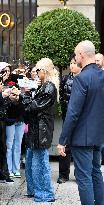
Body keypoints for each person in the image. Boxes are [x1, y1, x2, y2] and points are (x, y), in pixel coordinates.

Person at [57, 40, 104, 205]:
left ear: (82, 55)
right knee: (96, 173)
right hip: (98, 135)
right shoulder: (102, 75)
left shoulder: (81, 78)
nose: (75, 57)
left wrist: (62, 140)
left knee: (84, 177)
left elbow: (73, 112)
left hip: (82, 137)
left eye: (76, 54)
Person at [18, 58, 59, 202]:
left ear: (44, 71)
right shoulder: (44, 86)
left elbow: (32, 107)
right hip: (36, 129)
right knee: (31, 162)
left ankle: (45, 193)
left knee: (40, 163)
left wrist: (23, 95)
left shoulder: (49, 87)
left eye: (37, 70)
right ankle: (35, 190)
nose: (35, 72)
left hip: (41, 131)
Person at [57, 53, 81, 184]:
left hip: (81, 120)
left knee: (79, 147)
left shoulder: (84, 79)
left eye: (74, 63)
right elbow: (61, 97)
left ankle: (79, 174)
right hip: (67, 118)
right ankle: (63, 174)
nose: (72, 65)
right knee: (64, 146)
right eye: (71, 63)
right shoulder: (65, 79)